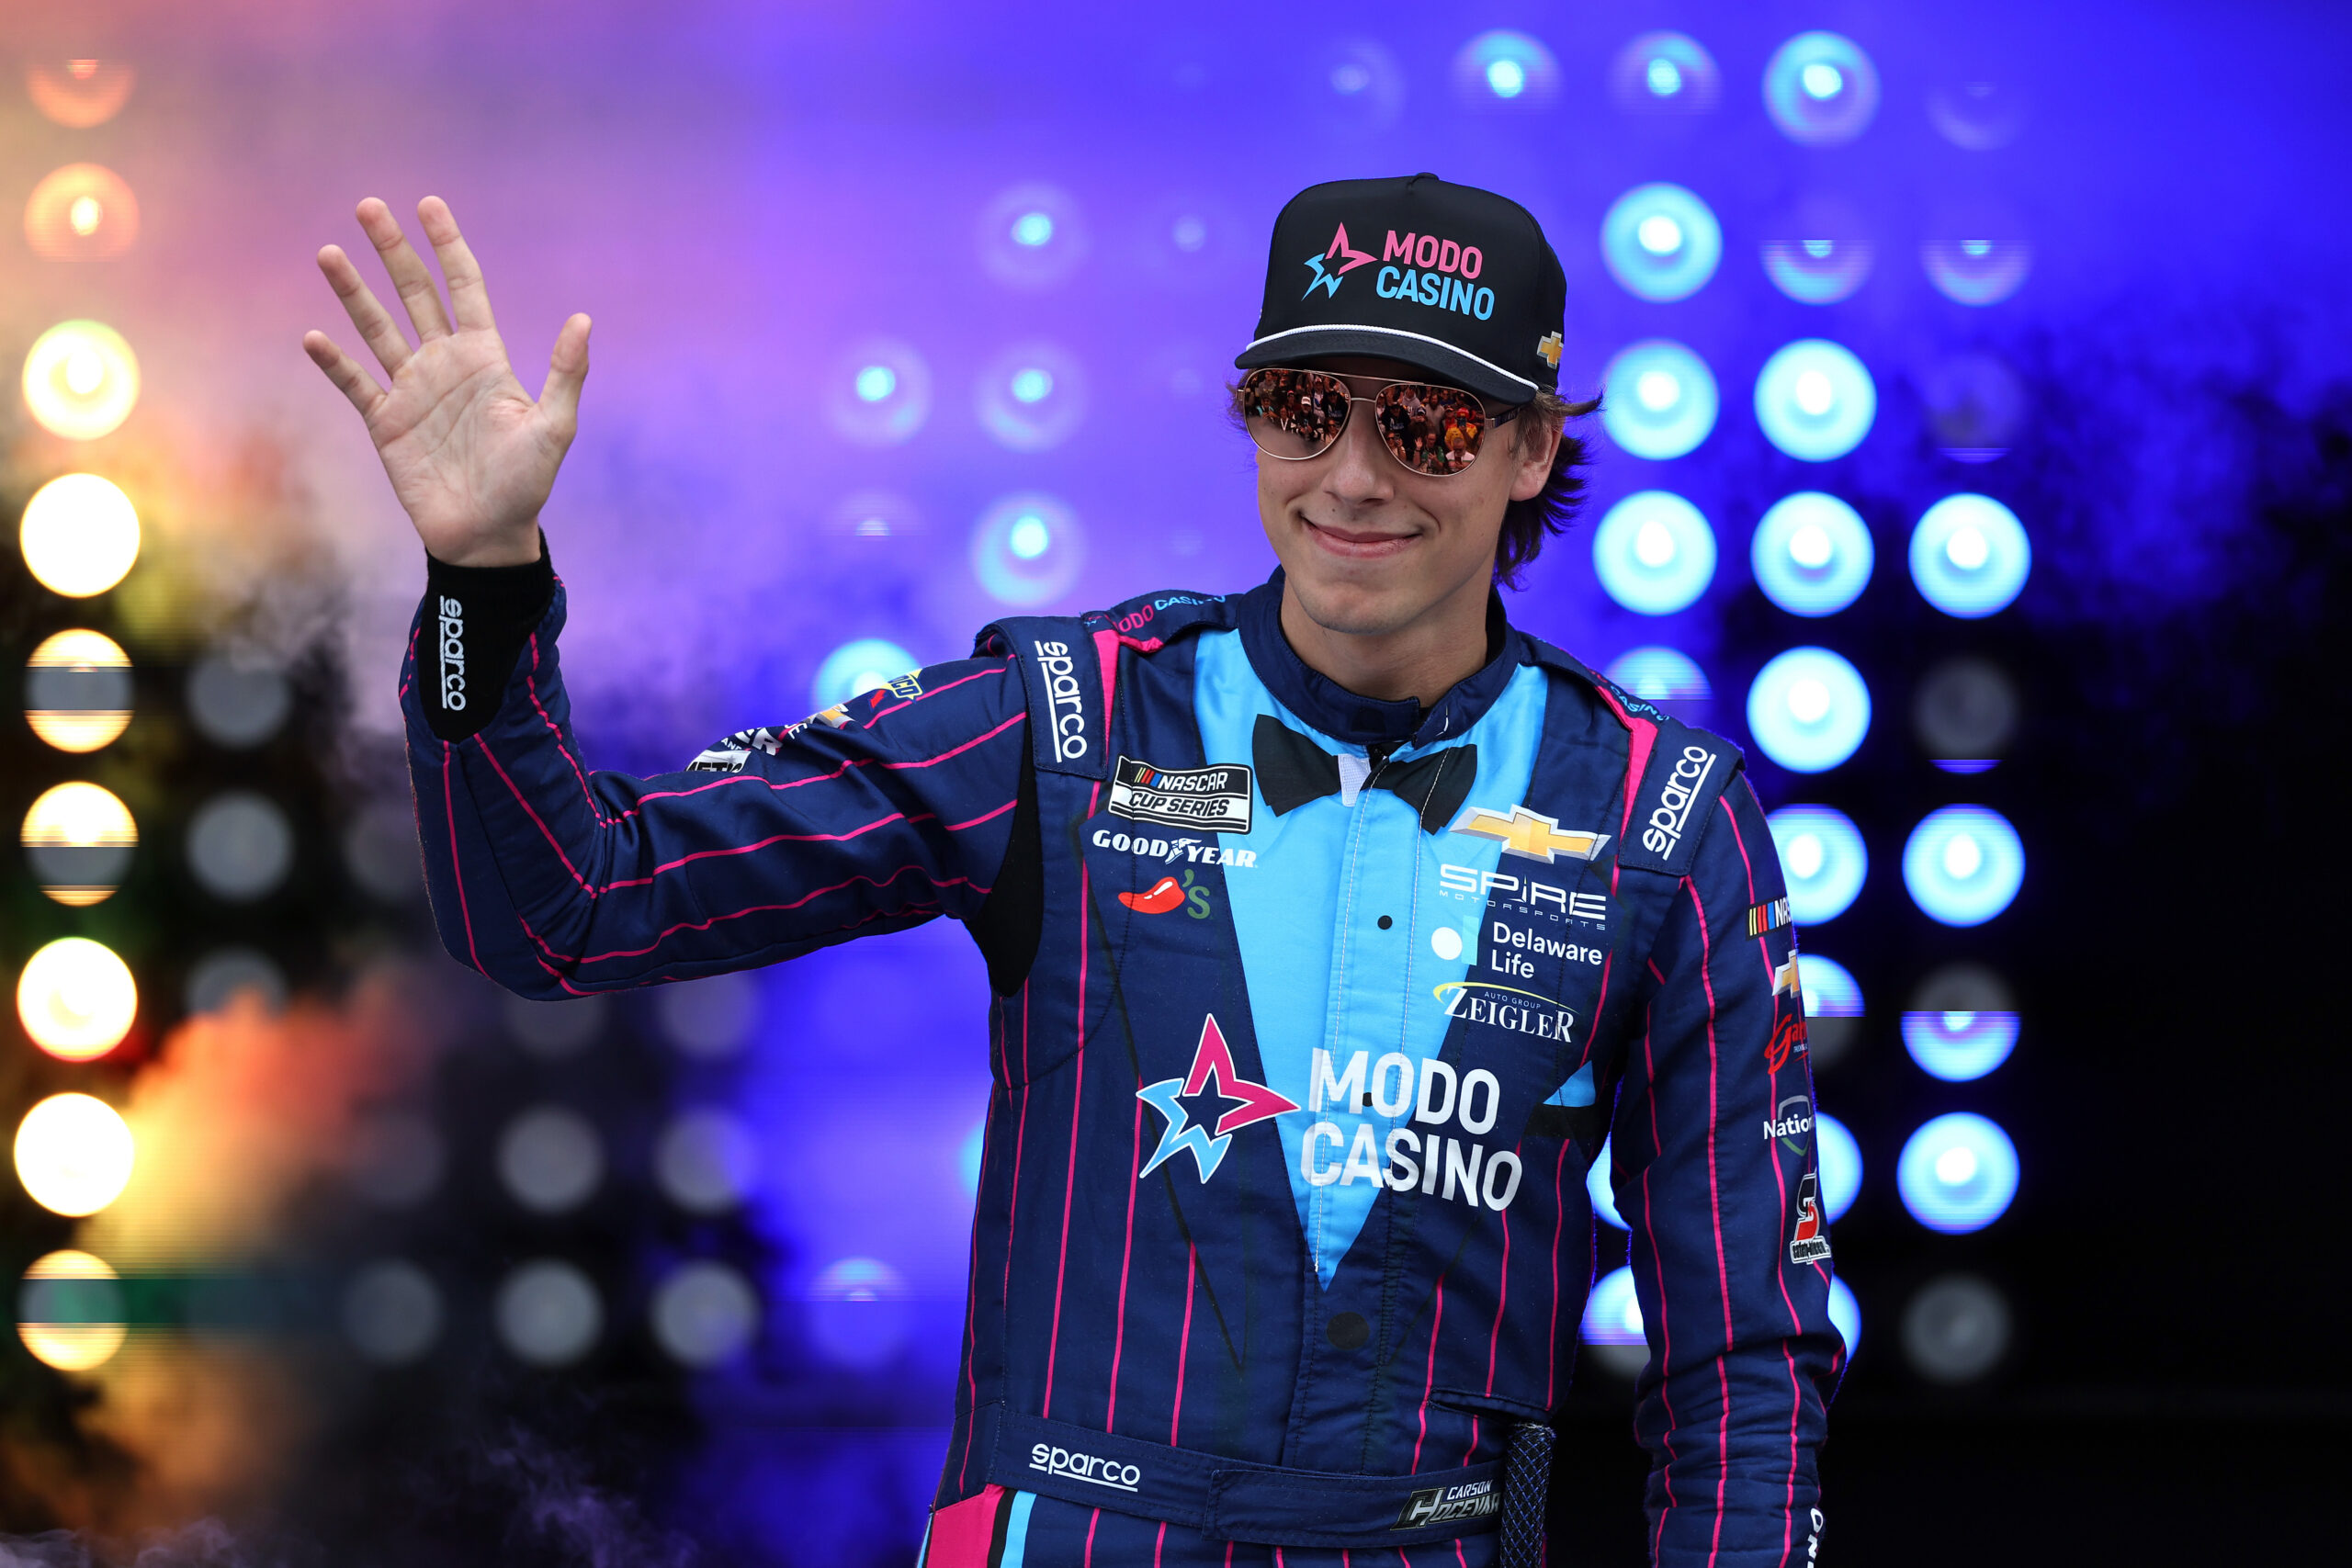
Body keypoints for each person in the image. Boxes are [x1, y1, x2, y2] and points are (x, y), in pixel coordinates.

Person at [304, 172, 1839, 1568]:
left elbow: (1747, 1362)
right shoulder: (1064, 719)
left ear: (1529, 450)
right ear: (1250, 420)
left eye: (1425, 425)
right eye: (1305, 409)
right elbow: (567, 906)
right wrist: (481, 584)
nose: (1354, 477)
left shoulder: (1662, 817)